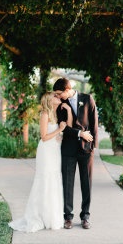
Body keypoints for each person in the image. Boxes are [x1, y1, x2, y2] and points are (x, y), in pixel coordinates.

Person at [8, 91, 71, 233]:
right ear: (49, 100)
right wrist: (59, 130)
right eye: (55, 96)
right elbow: (43, 137)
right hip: (46, 152)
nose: (58, 97)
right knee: (45, 181)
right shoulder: (45, 114)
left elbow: (53, 134)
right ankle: (39, 215)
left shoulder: (55, 114)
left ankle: (51, 217)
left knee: (54, 181)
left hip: (54, 151)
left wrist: (59, 136)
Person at [53, 78, 98, 230]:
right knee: (67, 183)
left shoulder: (87, 99)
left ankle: (85, 216)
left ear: (67, 89)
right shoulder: (60, 106)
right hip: (68, 149)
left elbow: (94, 123)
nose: (58, 97)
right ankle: (68, 217)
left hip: (86, 150)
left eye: (59, 93)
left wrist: (93, 146)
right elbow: (63, 128)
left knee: (87, 183)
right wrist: (80, 133)